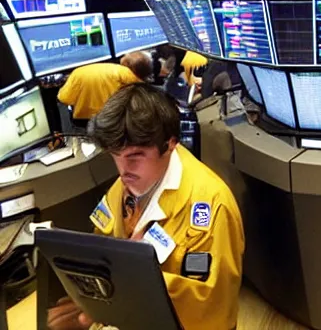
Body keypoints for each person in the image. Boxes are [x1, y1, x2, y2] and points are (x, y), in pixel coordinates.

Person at [48, 83, 244, 330]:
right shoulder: (125, 185)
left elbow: (211, 303)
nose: (122, 170)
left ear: (170, 144)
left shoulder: (213, 206)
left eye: (134, 156)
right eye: (114, 155)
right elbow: (103, 249)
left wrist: (123, 288)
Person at [57, 52, 152, 123]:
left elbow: (64, 99)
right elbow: (142, 91)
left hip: (84, 120)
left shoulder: (77, 72)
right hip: (113, 117)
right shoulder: (124, 72)